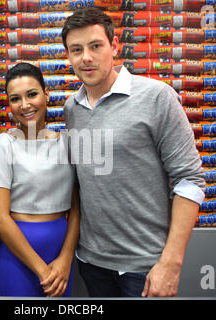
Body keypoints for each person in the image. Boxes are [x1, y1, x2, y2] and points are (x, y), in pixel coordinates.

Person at [61, 7, 206, 297]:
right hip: (91, 262)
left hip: (146, 266)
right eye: (76, 49)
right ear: (68, 56)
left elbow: (191, 182)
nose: (86, 57)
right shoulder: (71, 109)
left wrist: (171, 263)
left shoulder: (157, 97)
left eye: (95, 46)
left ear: (114, 47)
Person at [0, 62, 80, 297]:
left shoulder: (67, 144)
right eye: (15, 99)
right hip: (17, 259)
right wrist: (42, 271)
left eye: (32, 94)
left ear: (46, 95)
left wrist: (66, 259)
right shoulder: (3, 145)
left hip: (61, 256)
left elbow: (78, 209)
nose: (25, 105)